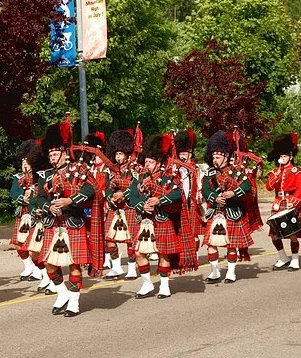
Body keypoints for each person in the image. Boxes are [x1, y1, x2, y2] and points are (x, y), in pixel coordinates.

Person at [35, 120, 104, 317]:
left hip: (73, 221)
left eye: (55, 154)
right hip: (52, 222)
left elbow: (92, 190)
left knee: (74, 263)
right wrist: (48, 206)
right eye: (50, 154)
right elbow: (39, 197)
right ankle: (63, 293)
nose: (52, 157)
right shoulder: (45, 175)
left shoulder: (78, 170)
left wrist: (69, 201)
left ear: (64, 153)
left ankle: (74, 302)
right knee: (48, 262)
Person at [129, 134, 198, 299]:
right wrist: (142, 204)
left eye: (151, 162)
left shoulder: (168, 178)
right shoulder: (140, 178)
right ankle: (147, 283)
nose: (147, 164)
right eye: (146, 161)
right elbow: (132, 196)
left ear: (159, 162)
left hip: (162, 219)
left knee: (162, 253)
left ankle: (165, 285)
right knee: (138, 253)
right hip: (145, 221)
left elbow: (177, 195)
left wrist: (159, 200)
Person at [201, 131, 253, 284]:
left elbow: (247, 186)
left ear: (225, 156)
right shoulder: (209, 175)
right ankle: (214, 272)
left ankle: (231, 272)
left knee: (231, 245)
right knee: (210, 244)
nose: (214, 160)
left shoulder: (236, 172)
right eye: (213, 157)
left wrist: (233, 193)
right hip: (215, 212)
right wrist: (214, 197)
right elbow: (205, 190)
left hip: (231, 212)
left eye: (217, 157)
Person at [266, 132, 301, 270]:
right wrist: (276, 175)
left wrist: (293, 203)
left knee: (292, 234)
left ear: (290, 156)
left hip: (290, 203)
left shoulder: (297, 172)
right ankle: (283, 257)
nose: (282, 158)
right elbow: (269, 187)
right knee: (274, 235)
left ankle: (295, 259)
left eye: (285, 156)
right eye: (280, 156)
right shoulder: (275, 171)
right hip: (277, 204)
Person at [9, 139, 51, 290]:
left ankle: (45, 275)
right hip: (24, 213)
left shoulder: (40, 177)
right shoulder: (18, 178)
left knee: (34, 247)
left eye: (27, 161)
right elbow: (14, 193)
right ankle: (31, 267)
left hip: (38, 215)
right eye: (23, 161)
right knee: (20, 244)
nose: (24, 164)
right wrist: (23, 198)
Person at [104, 130, 140, 280]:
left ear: (126, 152)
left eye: (120, 154)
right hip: (114, 208)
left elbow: (137, 186)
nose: (118, 157)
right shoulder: (110, 170)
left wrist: (123, 195)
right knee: (109, 240)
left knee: (130, 240)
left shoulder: (135, 168)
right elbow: (106, 187)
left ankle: (132, 269)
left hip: (129, 206)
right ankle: (116, 267)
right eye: (116, 154)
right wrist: (110, 196)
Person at [174, 129, 204, 250]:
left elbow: (199, 183)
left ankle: (195, 254)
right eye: (180, 153)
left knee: (194, 233)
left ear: (190, 154)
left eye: (185, 153)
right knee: (179, 231)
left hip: (192, 202)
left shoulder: (196, 168)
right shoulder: (175, 167)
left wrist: (199, 197)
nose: (182, 155)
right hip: (179, 202)